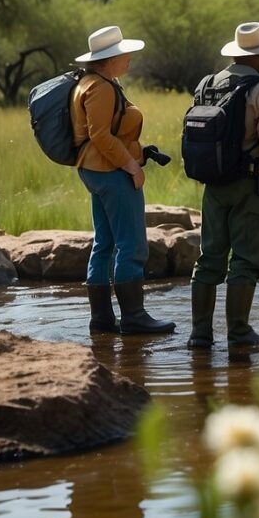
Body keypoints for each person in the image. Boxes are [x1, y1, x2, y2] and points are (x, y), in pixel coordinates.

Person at [188, 22, 259, 350]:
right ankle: (238, 333)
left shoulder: (206, 85)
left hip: (214, 186)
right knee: (245, 261)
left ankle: (200, 336)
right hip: (254, 187)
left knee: (209, 259)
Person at [72, 25, 176, 335]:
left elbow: (107, 133)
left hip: (94, 169)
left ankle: (102, 319)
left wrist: (141, 151)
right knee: (131, 244)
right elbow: (100, 135)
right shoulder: (101, 88)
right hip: (110, 171)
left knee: (104, 243)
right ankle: (134, 317)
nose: (129, 57)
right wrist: (133, 165)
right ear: (109, 59)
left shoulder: (92, 83)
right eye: (124, 54)